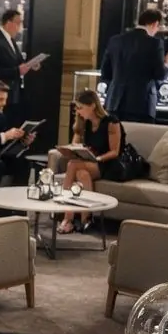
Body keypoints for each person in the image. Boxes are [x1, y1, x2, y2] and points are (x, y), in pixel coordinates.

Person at [57, 88, 125, 234]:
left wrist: (97, 159)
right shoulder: (85, 122)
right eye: (77, 108)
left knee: (72, 165)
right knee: (82, 174)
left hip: (109, 163)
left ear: (93, 105)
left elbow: (114, 152)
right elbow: (75, 144)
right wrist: (72, 149)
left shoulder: (111, 122)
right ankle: (85, 219)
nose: (78, 111)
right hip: (90, 163)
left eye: (81, 108)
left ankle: (68, 218)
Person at [100, 6, 167, 123]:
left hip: (114, 102)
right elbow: (160, 75)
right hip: (142, 104)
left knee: (114, 134)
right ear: (155, 24)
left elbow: (105, 73)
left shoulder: (115, 40)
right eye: (158, 28)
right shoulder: (155, 43)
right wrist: (167, 64)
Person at [0, 9, 43, 108]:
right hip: (0, 95)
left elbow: (18, 61)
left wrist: (30, 65)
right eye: (18, 23)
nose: (20, 27)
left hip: (13, 94)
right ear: (8, 23)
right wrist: (17, 71)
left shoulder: (11, 40)